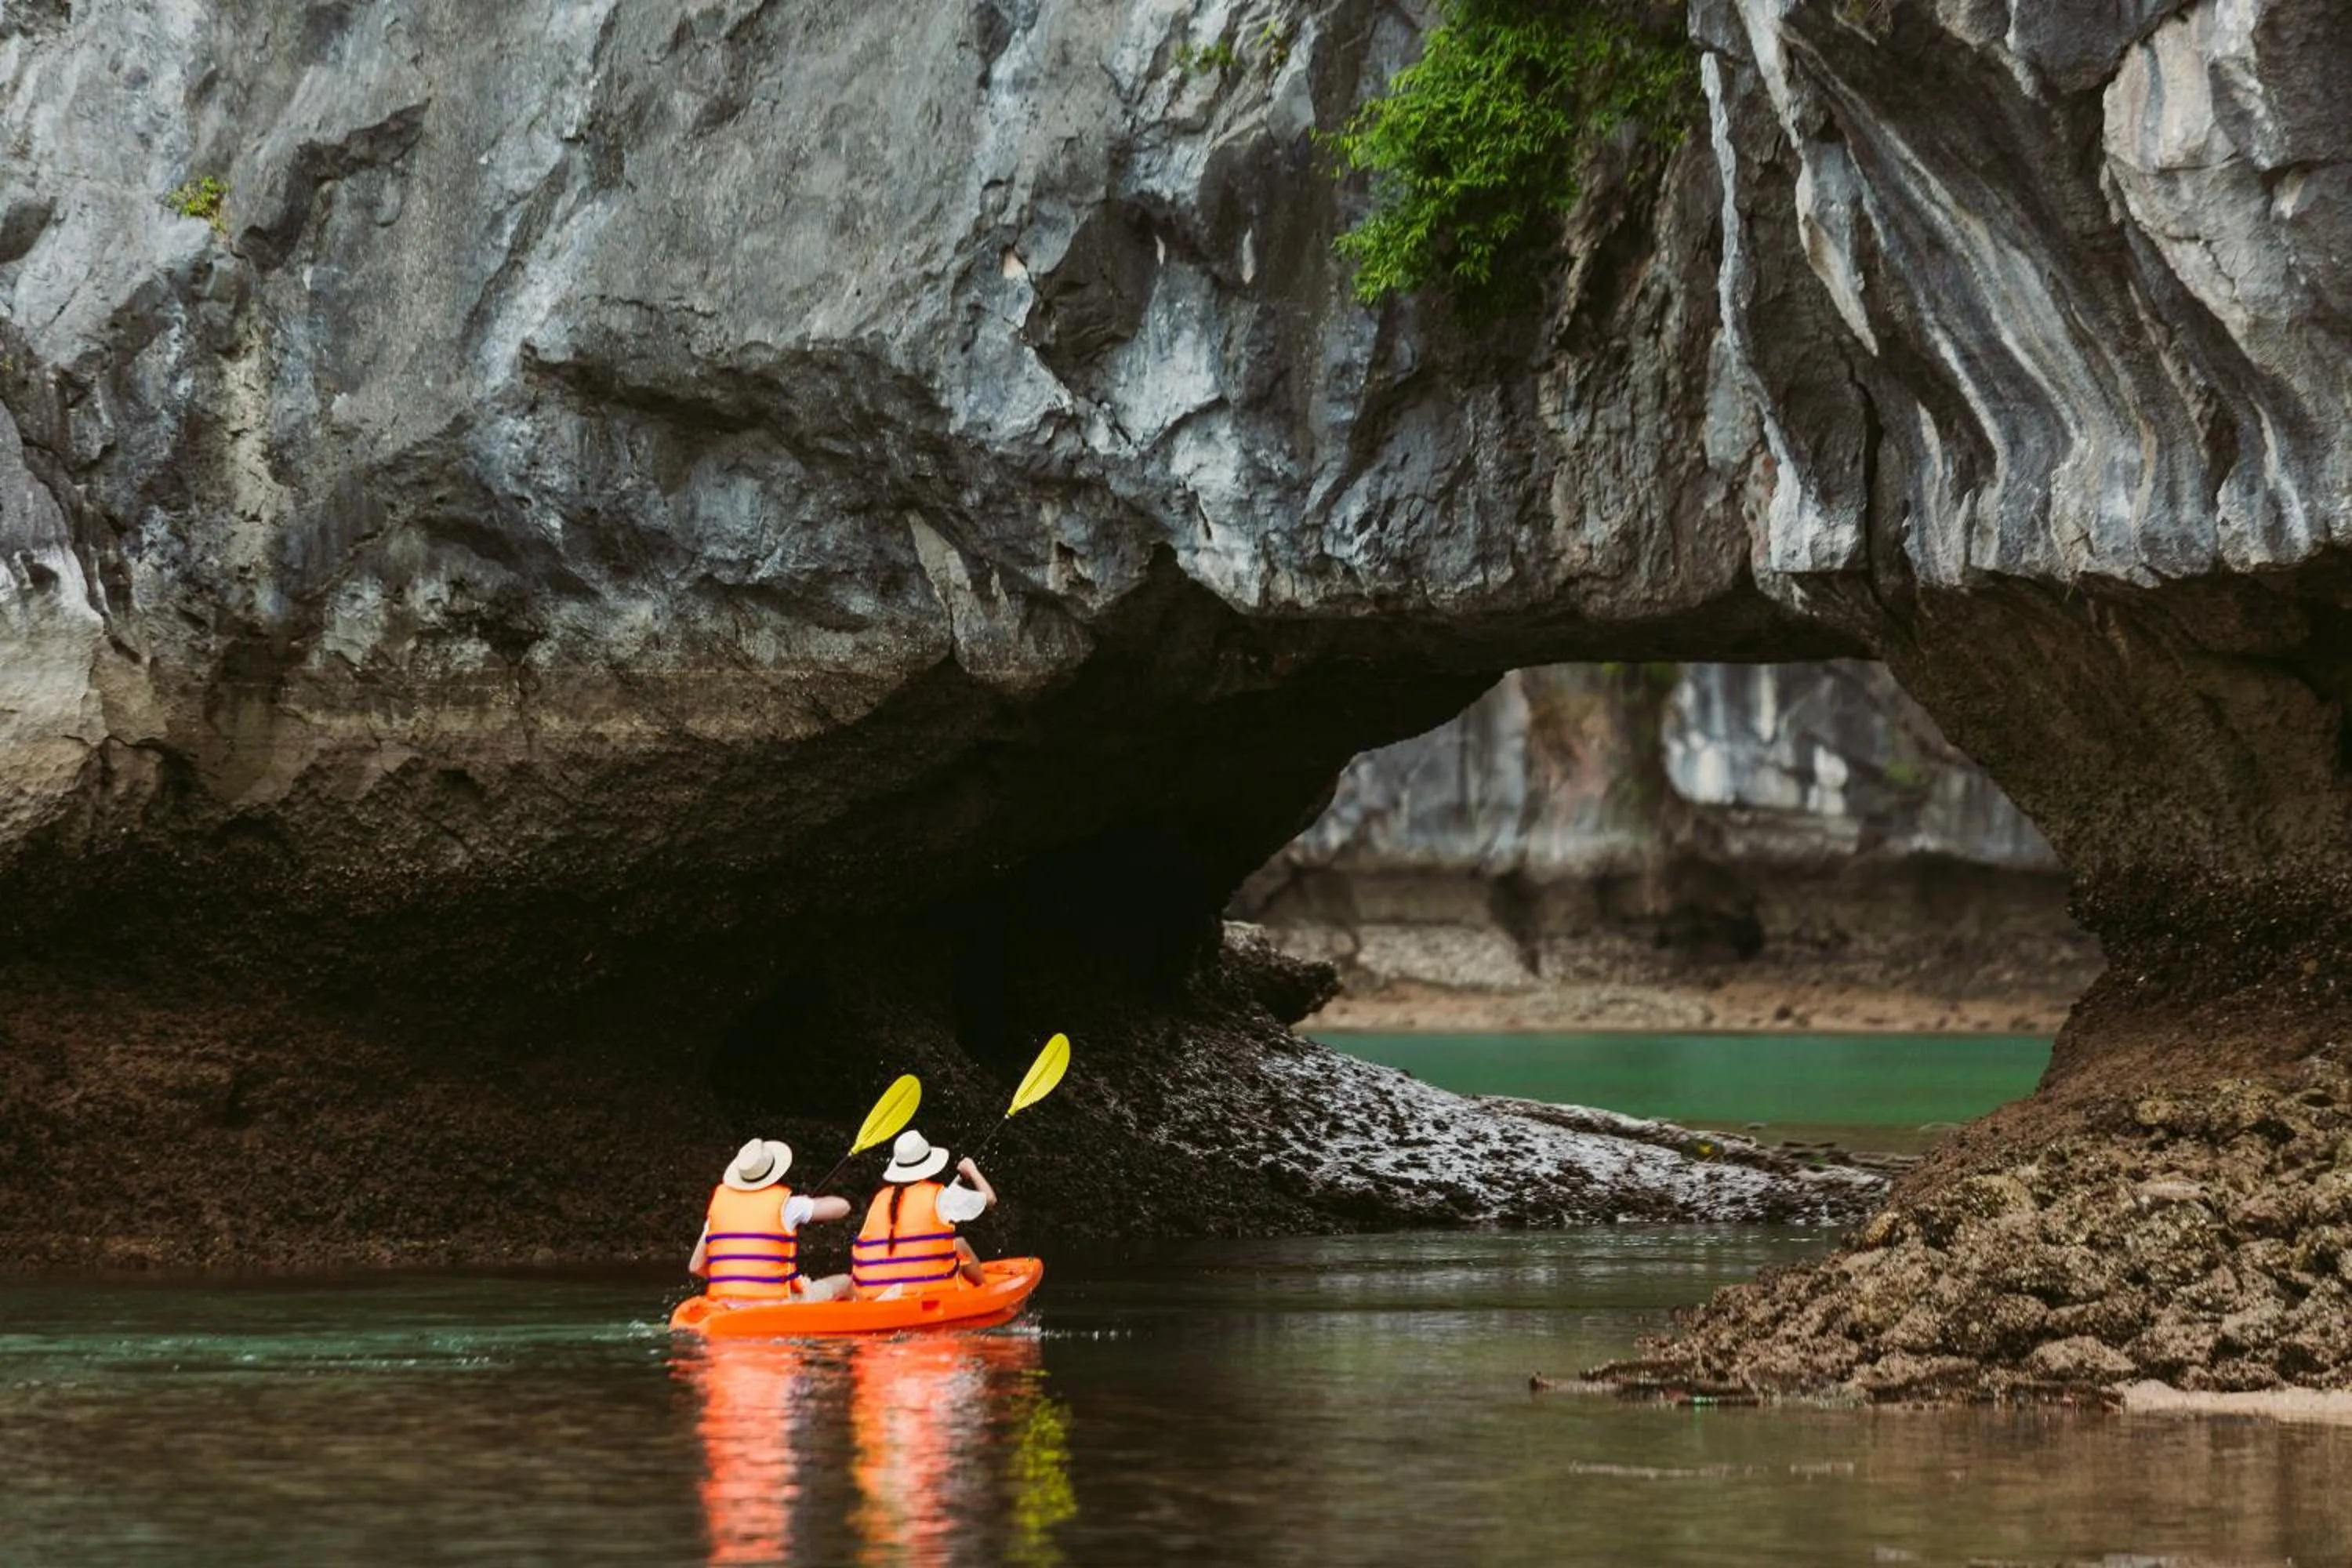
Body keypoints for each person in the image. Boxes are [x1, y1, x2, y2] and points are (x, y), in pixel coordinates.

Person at [689, 1137, 854, 1303]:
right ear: (774, 1173)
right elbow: (843, 1207)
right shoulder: (789, 1206)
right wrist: (806, 1203)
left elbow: (696, 1266)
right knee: (845, 1282)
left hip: (725, 1305)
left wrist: (739, 1284)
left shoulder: (719, 1211)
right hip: (775, 1304)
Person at [850, 1130, 997, 1296]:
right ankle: (988, 1293)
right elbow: (990, 1199)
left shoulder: (880, 1198)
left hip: (874, 1294)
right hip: (926, 1292)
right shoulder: (941, 1196)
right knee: (959, 1244)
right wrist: (972, 1170)